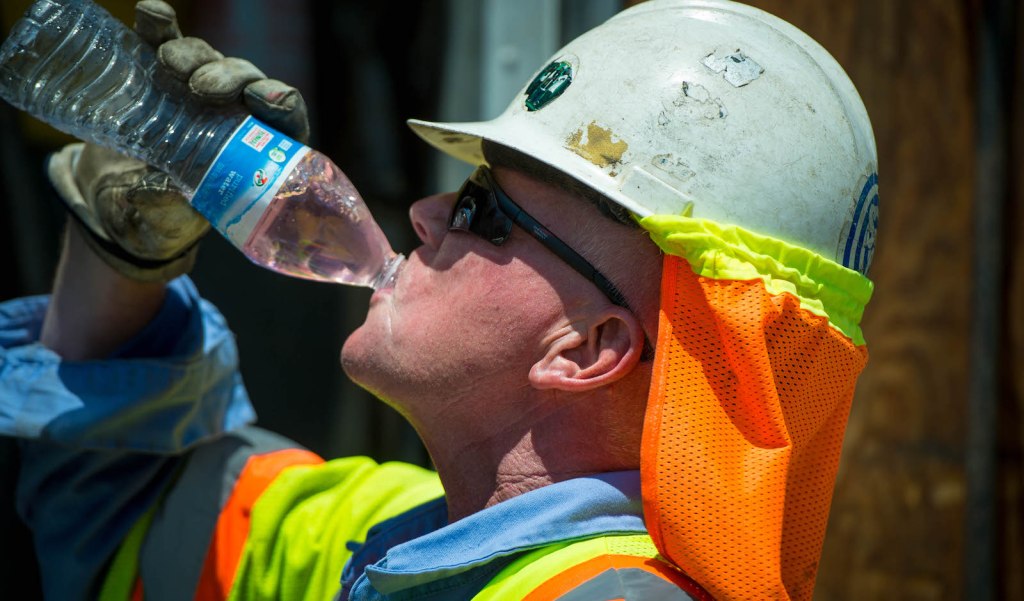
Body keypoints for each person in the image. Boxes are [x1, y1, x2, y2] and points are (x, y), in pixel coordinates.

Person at [0, 0, 879, 599]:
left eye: (479, 210)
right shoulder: (395, 537)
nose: (422, 213)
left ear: (587, 345)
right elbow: (112, 518)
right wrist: (126, 247)